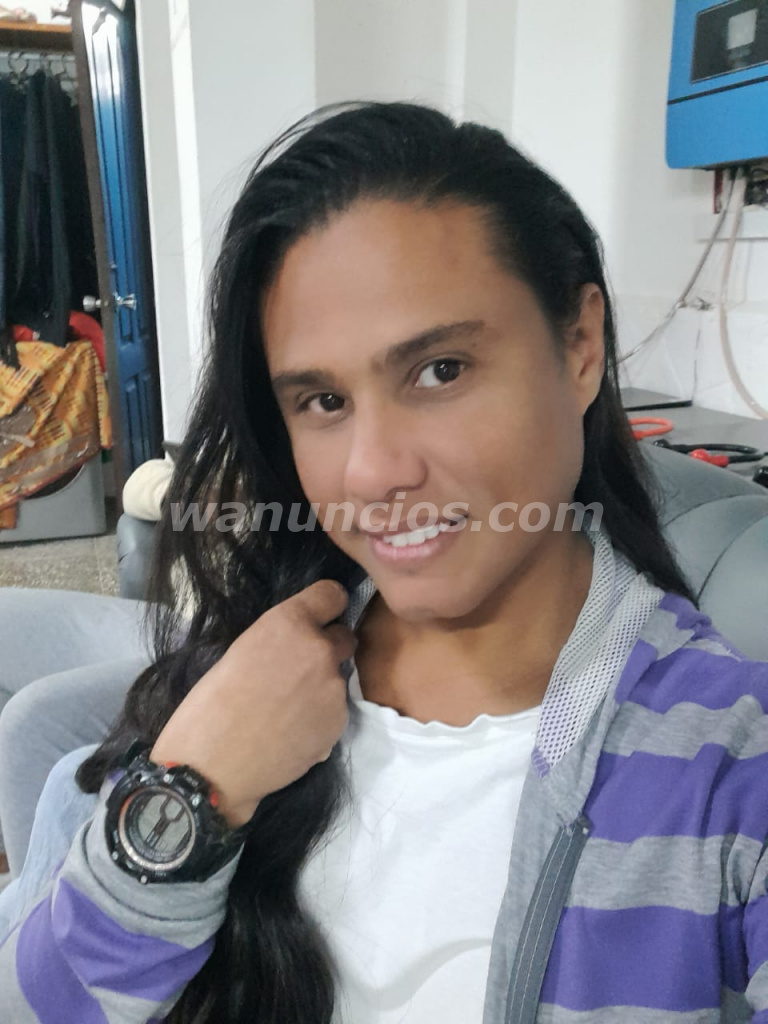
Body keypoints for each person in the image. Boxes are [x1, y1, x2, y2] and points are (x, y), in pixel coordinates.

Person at [0, 101, 766, 1024]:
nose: (371, 473)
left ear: (580, 346)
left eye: (440, 370)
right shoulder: (251, 670)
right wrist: (197, 794)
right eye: (323, 400)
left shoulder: (732, 767)